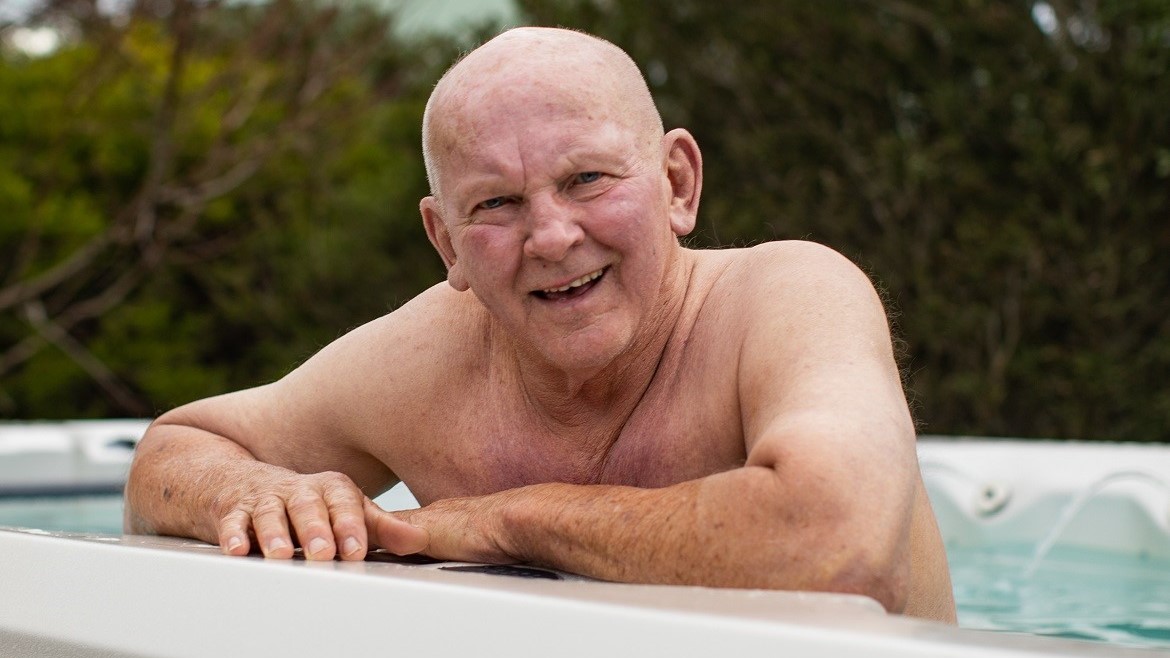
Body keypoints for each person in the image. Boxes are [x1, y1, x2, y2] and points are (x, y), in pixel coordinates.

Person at [124, 26, 956, 623]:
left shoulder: (788, 296)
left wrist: (503, 520)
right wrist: (256, 491)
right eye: (497, 203)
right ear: (445, 241)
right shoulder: (427, 359)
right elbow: (173, 451)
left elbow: (841, 550)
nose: (552, 237)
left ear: (677, 182)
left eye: (589, 179)